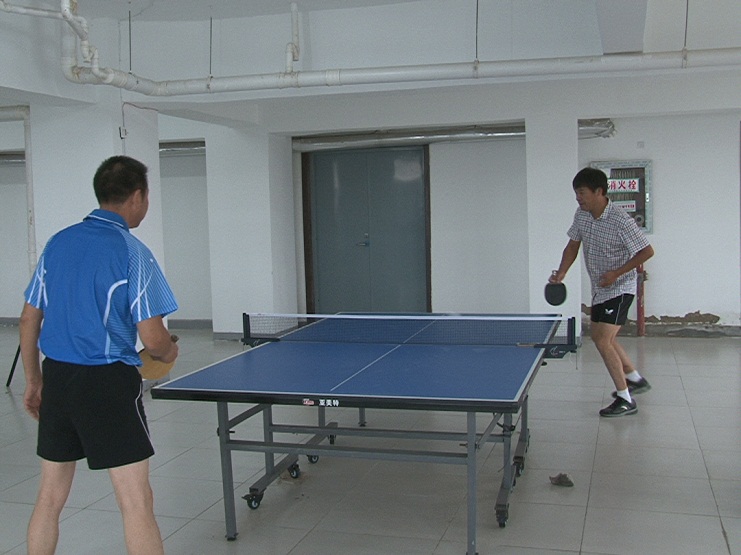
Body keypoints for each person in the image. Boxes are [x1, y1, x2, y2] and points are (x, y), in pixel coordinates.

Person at [20, 155, 179, 554]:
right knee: (136, 501)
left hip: (58, 377)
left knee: (49, 498)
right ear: (137, 197)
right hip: (107, 383)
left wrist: (35, 381)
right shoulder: (133, 252)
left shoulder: (58, 243)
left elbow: (28, 319)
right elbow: (153, 339)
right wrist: (169, 350)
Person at [550, 167, 654, 417]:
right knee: (602, 336)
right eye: (576, 193)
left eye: (582, 193)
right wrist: (562, 273)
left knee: (602, 340)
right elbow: (573, 245)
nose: (578, 198)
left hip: (620, 287)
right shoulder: (582, 215)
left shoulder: (620, 220)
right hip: (600, 288)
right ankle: (634, 378)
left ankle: (625, 398)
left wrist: (616, 273)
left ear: (599, 192)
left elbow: (647, 251)